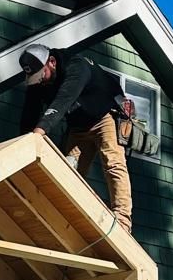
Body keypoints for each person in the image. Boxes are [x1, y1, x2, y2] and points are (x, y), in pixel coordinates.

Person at [18, 44, 133, 232]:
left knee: (113, 163)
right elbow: (29, 115)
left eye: (42, 75)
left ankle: (123, 222)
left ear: (52, 62)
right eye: (36, 78)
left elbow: (62, 101)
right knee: (70, 170)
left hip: (104, 116)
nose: (40, 81)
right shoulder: (38, 82)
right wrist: (25, 143)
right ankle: (67, 221)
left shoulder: (76, 66)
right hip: (78, 126)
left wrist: (38, 134)